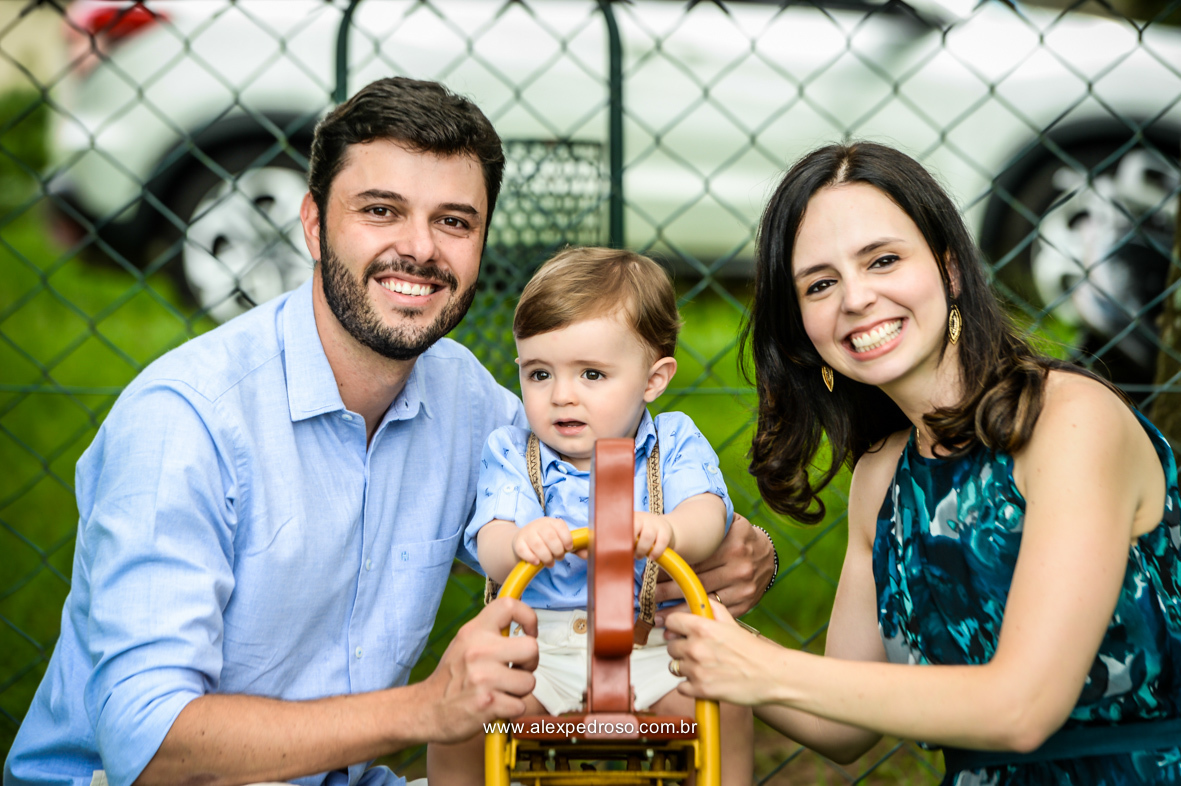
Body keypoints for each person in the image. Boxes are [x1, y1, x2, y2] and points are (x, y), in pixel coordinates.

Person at [4, 77, 776, 786]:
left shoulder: (469, 402)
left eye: (454, 221)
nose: (419, 247)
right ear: (312, 223)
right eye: (380, 210)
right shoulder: (185, 423)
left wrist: (728, 548)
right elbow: (148, 744)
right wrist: (427, 709)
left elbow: (594, 489)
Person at [663, 141, 1181, 784]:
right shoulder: (884, 475)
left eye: (882, 260)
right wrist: (698, 631)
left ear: (951, 269)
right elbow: (842, 726)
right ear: (801, 325)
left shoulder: (1070, 421)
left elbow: (1023, 707)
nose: (856, 298)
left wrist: (758, 668)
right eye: (820, 283)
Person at [428, 248, 754, 784]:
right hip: (536, 654)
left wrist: (671, 530)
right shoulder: (513, 451)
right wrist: (520, 543)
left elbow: (708, 511)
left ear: (653, 379)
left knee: (721, 701)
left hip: (652, 645)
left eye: (592, 375)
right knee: (467, 712)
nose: (561, 396)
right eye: (538, 374)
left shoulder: (671, 443)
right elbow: (491, 538)